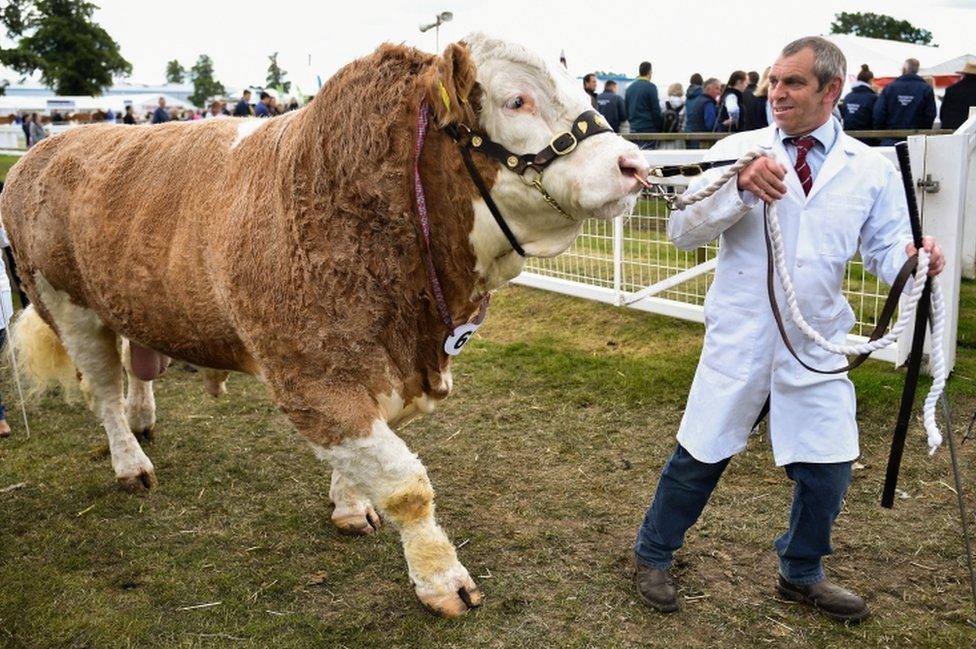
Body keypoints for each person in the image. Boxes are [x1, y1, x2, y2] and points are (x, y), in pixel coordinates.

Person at [632, 35, 945, 624]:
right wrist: (739, 191)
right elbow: (683, 230)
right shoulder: (737, 149)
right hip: (744, 333)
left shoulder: (869, 170)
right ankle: (652, 553)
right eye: (774, 81)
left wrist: (911, 256)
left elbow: (882, 249)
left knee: (827, 467)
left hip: (816, 338)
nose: (776, 93)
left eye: (793, 83)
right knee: (699, 453)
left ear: (831, 90)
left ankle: (801, 573)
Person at [872, 58, 936, 145]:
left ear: (904, 69)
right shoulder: (926, 89)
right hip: (916, 140)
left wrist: (880, 134)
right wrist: (922, 132)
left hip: (890, 138)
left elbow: (878, 113)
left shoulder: (890, 88)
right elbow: (930, 115)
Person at [625, 61, 663, 149]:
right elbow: (656, 110)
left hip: (634, 129)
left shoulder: (629, 88)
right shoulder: (651, 87)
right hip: (648, 129)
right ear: (650, 72)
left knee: (637, 157)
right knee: (649, 158)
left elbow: (626, 110)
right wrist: (658, 126)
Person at [841, 64, 878, 143]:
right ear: (871, 81)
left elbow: (844, 115)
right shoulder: (873, 98)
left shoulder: (848, 97)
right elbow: (877, 118)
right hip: (867, 141)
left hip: (848, 140)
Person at [939, 61, 976, 130]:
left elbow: (943, 113)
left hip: (951, 128)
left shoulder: (951, 89)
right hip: (971, 130)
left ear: (965, 74)